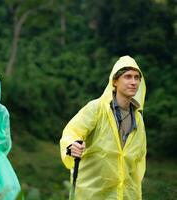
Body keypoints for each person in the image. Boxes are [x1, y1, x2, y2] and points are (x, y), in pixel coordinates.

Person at [60, 55, 146, 200]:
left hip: (126, 195)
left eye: (137, 78)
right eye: (127, 77)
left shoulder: (138, 119)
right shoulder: (96, 108)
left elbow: (138, 160)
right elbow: (72, 131)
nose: (133, 82)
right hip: (92, 193)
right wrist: (72, 145)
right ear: (115, 81)